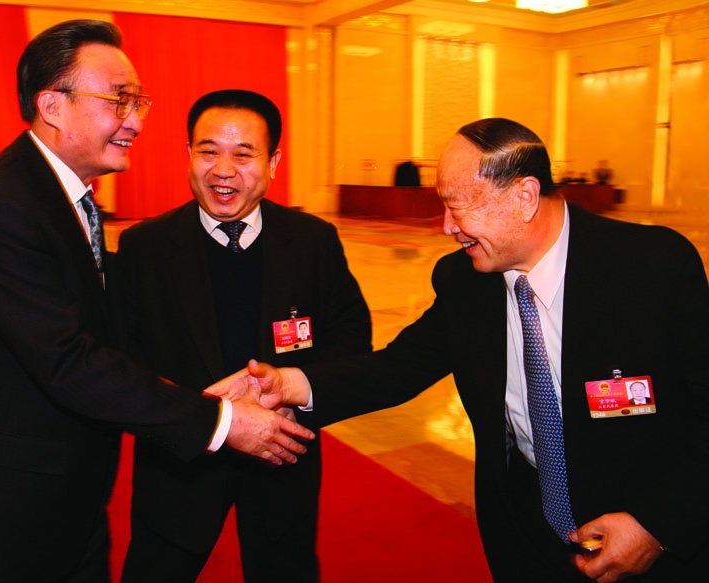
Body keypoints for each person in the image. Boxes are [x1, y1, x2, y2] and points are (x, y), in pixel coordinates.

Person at [218, 118, 709, 582]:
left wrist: (659, 524)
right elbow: (397, 369)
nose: (447, 227)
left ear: (524, 197)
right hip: (525, 536)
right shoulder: (466, 282)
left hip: (650, 535)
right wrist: (288, 383)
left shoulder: (653, 267)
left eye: (458, 207)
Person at [0, 22, 312, 583]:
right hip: (1, 511)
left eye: (138, 102)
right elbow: (68, 360)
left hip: (67, 499)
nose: (136, 121)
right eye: (118, 101)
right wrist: (221, 420)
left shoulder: (69, 196)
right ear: (53, 106)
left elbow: (108, 333)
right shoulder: (0, 205)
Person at [117, 89, 371, 583]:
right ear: (188, 155)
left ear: (273, 162)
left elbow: (351, 340)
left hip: (283, 453)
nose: (223, 170)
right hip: (181, 463)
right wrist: (195, 418)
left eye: (243, 154)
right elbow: (124, 357)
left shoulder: (312, 241)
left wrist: (296, 399)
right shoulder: (144, 247)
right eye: (208, 151)